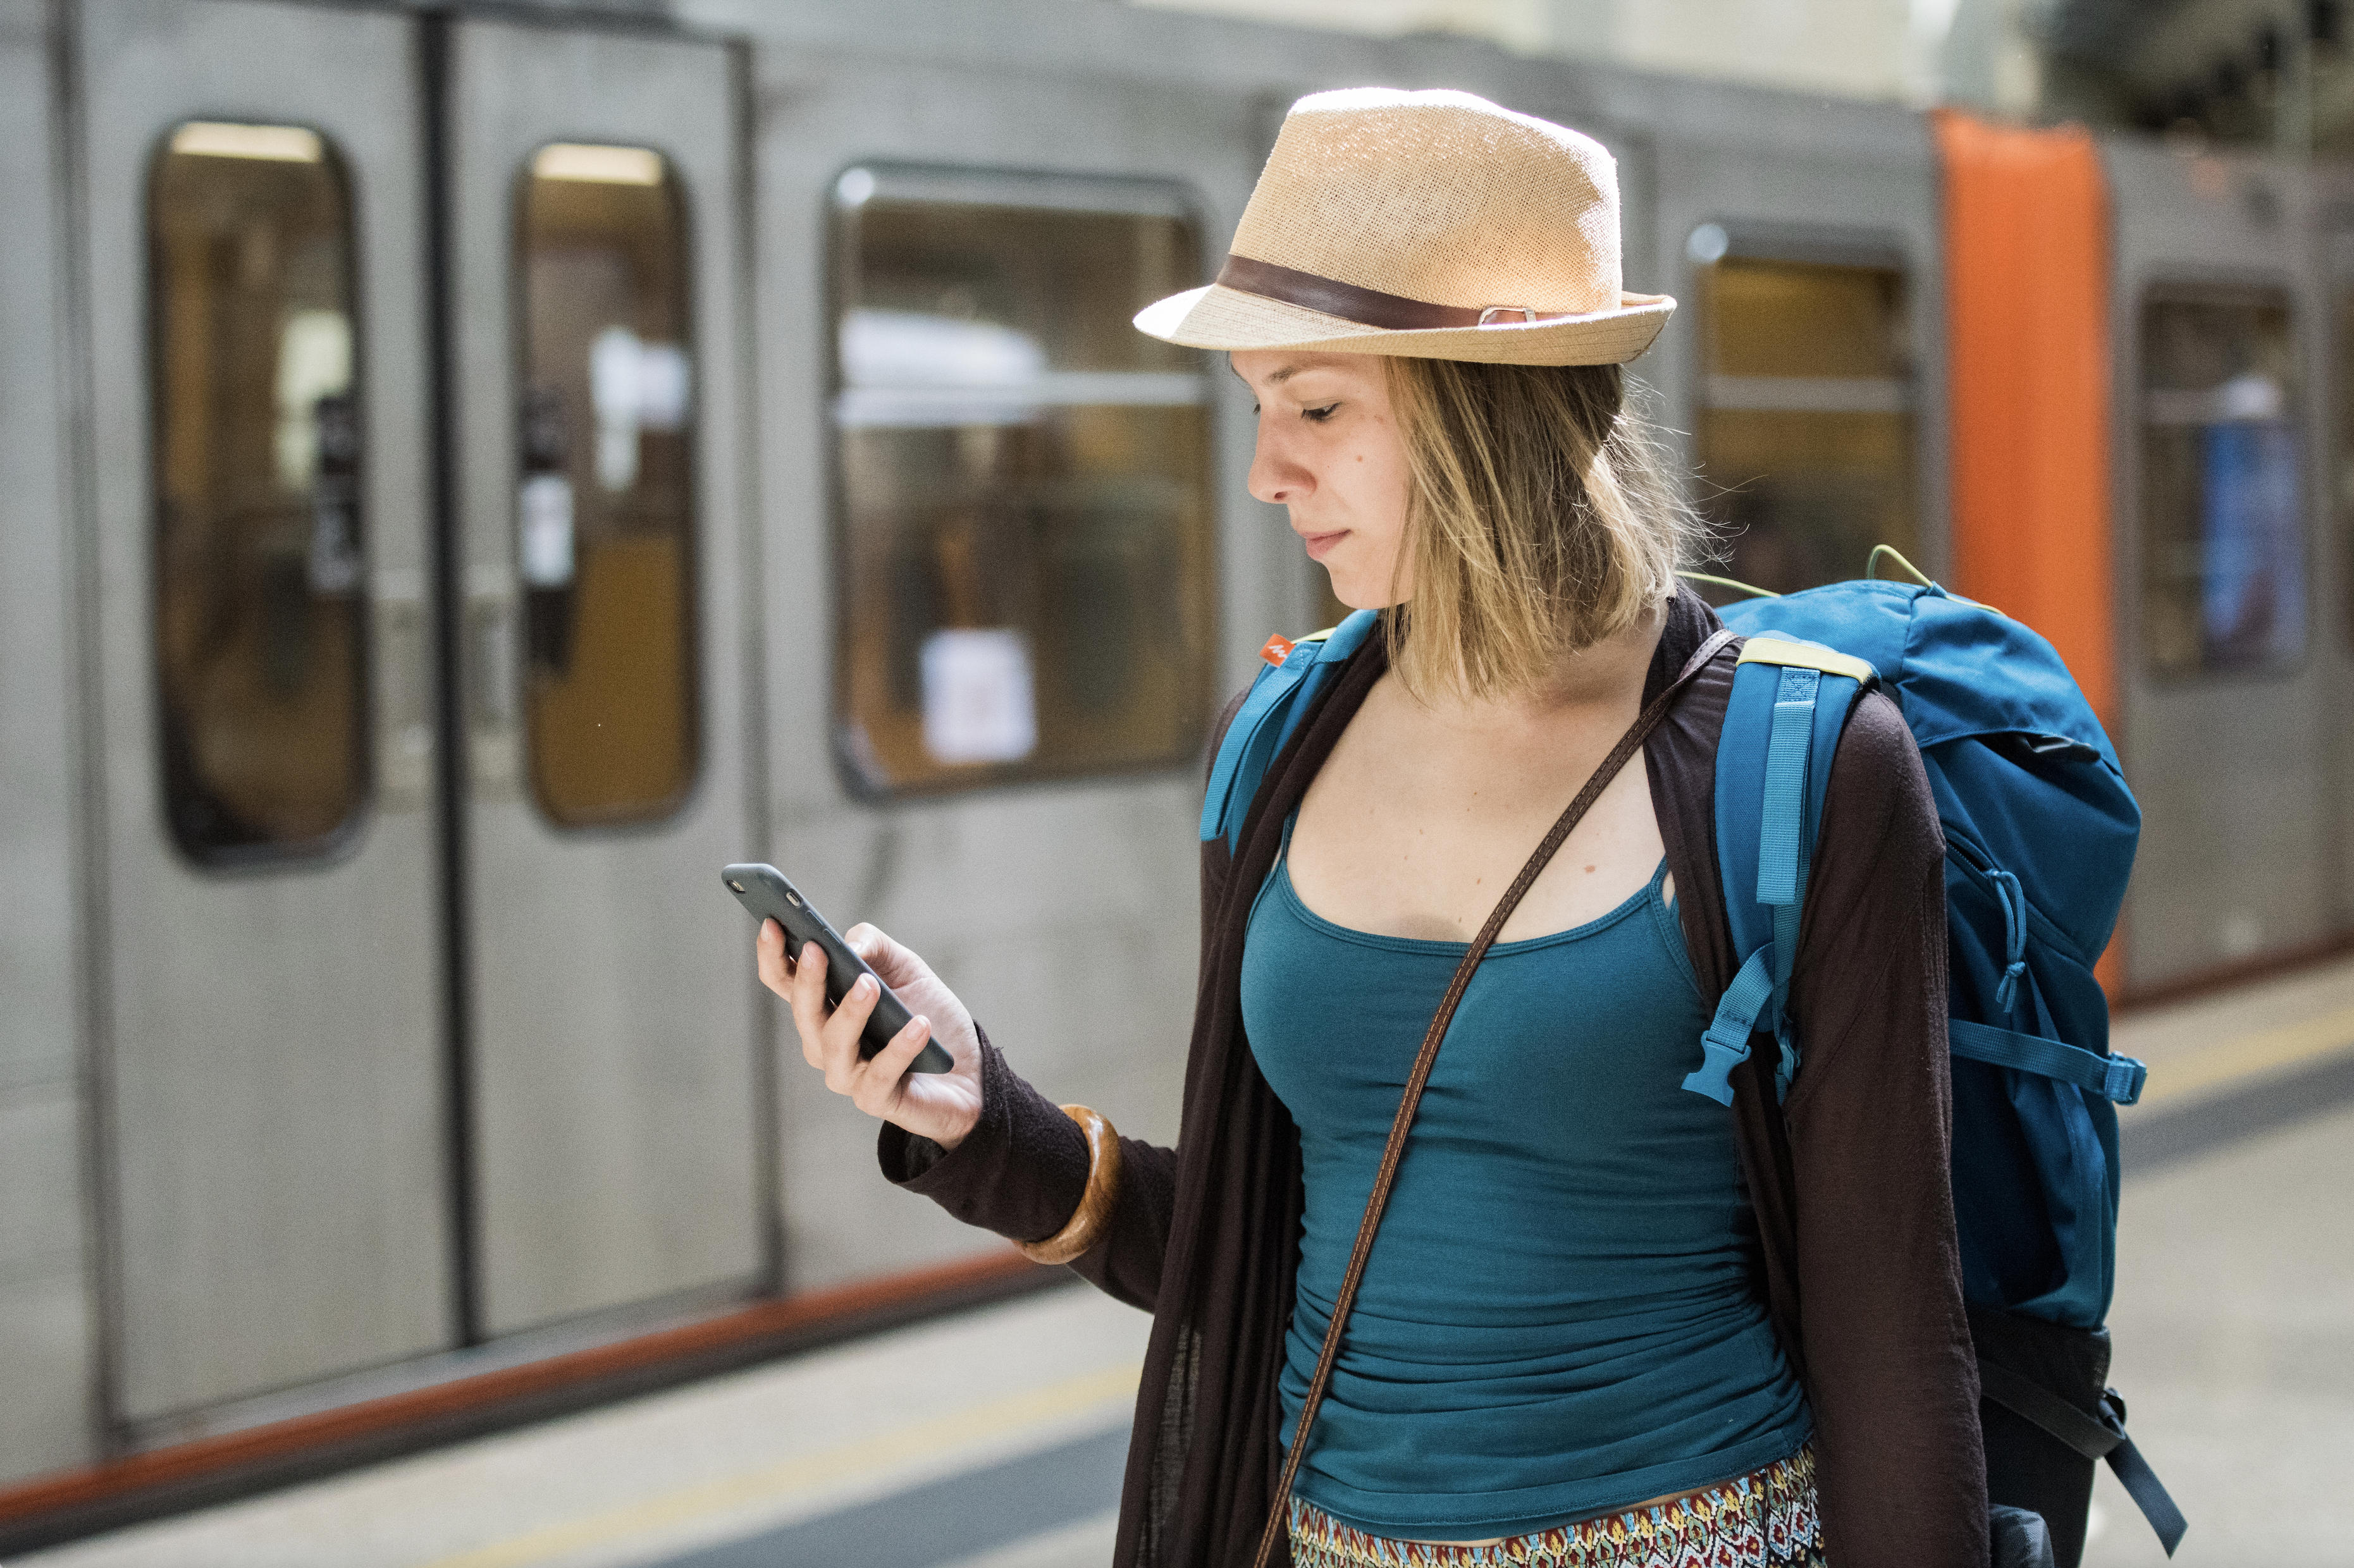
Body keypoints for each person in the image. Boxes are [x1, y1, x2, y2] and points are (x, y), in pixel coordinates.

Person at [760, 89, 1987, 1567]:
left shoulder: (1802, 766)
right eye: (1259, 410)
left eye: (1319, 406)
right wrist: (976, 1116)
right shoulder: (1276, 745)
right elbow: (1261, 1242)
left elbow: (1893, 1339)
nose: (1269, 471)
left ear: (1488, 410)